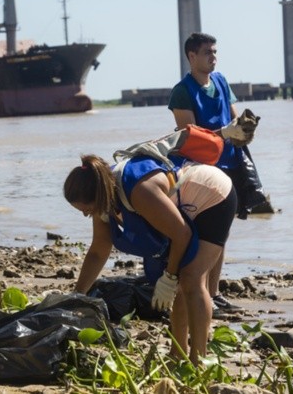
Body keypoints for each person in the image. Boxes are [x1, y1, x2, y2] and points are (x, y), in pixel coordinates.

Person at [64, 152, 237, 364]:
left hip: (213, 195)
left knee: (191, 278)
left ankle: (198, 359)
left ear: (97, 196)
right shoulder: (104, 202)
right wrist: (78, 294)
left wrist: (169, 277)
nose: (86, 214)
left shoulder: (139, 191)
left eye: (87, 209)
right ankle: (177, 353)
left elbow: (181, 234)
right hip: (182, 211)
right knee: (183, 279)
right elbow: (98, 251)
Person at [168, 32, 257, 315]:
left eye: (215, 51)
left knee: (222, 234)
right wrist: (225, 133)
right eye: (207, 52)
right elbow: (189, 137)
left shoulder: (220, 80)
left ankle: (214, 294)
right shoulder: (182, 91)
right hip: (202, 171)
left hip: (229, 165)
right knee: (204, 236)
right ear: (191, 56)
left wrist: (244, 128)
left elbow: (233, 118)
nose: (213, 57)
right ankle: (200, 293)